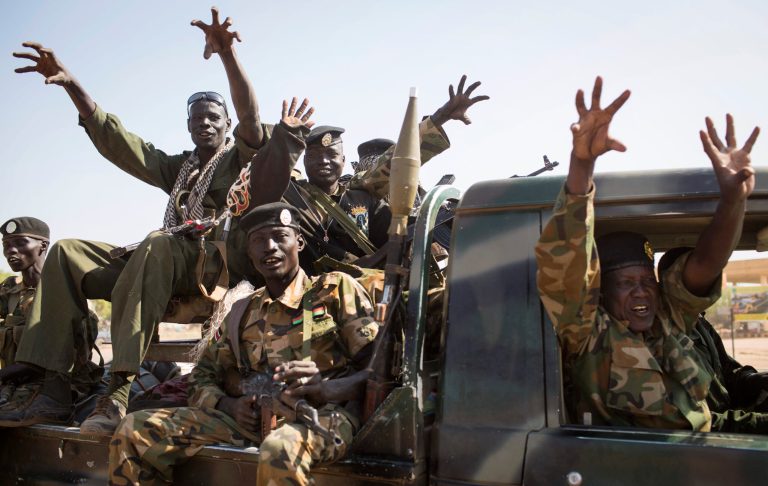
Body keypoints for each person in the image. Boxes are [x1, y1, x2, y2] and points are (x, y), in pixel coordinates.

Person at [2, 7, 309, 434]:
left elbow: (252, 120)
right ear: (187, 127)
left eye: (213, 118)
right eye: (197, 119)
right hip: (163, 262)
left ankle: (117, 392)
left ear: (225, 127)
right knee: (69, 252)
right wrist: (72, 85)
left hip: (213, 270)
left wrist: (227, 57)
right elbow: (121, 144)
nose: (205, 123)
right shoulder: (178, 169)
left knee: (158, 241)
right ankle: (51, 385)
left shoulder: (240, 159)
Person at [535, 75, 760, 431]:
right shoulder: (589, 335)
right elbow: (568, 258)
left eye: (645, 280)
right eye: (625, 282)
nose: (641, 291)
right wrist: (582, 165)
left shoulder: (668, 318)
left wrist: (733, 200)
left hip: (704, 449)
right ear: (603, 294)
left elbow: (705, 264)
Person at [109, 202, 378, 485]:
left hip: (324, 416)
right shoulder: (242, 310)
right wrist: (227, 405)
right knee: (133, 430)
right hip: (251, 422)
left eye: (279, 236)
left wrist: (326, 388)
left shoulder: (334, 289)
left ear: (298, 242)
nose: (270, 247)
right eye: (259, 241)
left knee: (280, 450)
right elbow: (202, 376)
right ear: (250, 254)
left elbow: (379, 372)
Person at [245, 76, 489, 274]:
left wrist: (441, 116)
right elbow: (261, 181)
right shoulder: (291, 196)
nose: (323, 161)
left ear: (343, 160)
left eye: (331, 154)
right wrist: (284, 138)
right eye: (314, 155)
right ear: (304, 160)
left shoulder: (361, 194)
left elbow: (398, 162)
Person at [659, 247, 768, 433]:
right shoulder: (660, 337)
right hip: (708, 439)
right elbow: (696, 421)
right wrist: (760, 422)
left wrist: (755, 380)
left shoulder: (701, 324)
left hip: (727, 420)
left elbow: (727, 371)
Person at [0, 217, 49, 368]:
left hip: (51, 381)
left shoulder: (63, 290)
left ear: (43, 245)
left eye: (20, 243)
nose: (11, 250)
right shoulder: (9, 290)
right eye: (6, 245)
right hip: (12, 380)